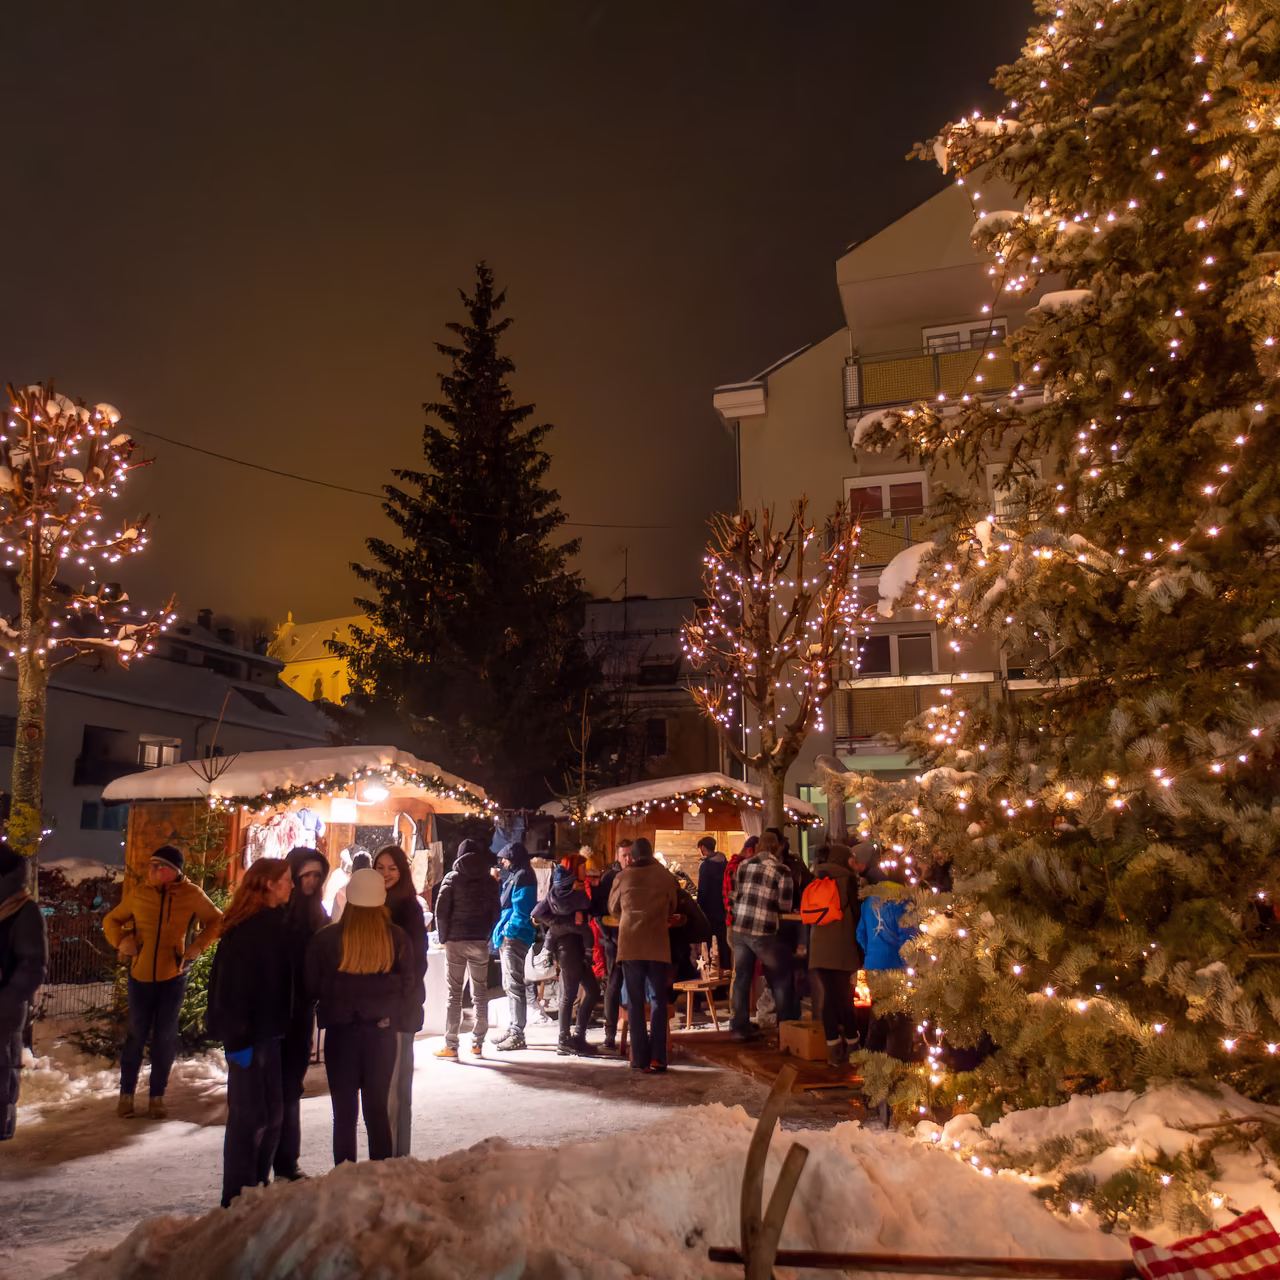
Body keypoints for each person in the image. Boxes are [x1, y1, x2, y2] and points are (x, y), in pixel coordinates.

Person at [306, 867, 417, 1165]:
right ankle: (379, 1176)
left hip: (341, 1035)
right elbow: (409, 986)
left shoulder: (326, 939)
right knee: (376, 1111)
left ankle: (345, 1177)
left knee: (343, 1115)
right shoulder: (396, 938)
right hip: (381, 1036)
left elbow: (311, 985)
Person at [102, 844, 222, 1119]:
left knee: (165, 1037)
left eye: (160, 866)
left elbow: (216, 920)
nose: (153, 870)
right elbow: (111, 920)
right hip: (140, 976)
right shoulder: (140, 893)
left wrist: (197, 947)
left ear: (174, 870)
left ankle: (157, 1096)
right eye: (151, 865)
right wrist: (122, 940)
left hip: (173, 976)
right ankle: (126, 1095)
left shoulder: (191, 894)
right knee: (136, 1035)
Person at [206, 857, 294, 1207]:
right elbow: (233, 989)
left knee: (271, 1115)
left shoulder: (272, 924)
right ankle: (238, 1196)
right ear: (269, 884)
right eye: (285, 880)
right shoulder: (249, 930)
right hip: (250, 1037)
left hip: (269, 1035)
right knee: (249, 1118)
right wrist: (238, 1039)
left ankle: (257, 1186)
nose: (290, 885)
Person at [274, 846, 330, 1181]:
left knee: (293, 1085)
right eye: (305, 874)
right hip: (274, 1009)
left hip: (300, 1011)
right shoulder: (277, 913)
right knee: (272, 1087)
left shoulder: (317, 914)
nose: (310, 881)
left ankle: (286, 1160)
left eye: (316, 875)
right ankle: (266, 1158)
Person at [373, 844, 427, 1155]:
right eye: (380, 868)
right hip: (375, 1007)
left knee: (396, 1086)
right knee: (381, 1089)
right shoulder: (367, 905)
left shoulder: (408, 907)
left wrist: (399, 1000)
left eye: (392, 868)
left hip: (400, 1006)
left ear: (402, 871)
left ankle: (397, 1155)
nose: (386, 874)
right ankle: (387, 1155)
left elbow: (416, 962)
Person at [609, 837, 678, 1073]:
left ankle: (639, 1058)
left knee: (635, 1002)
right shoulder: (666, 877)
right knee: (659, 1000)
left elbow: (613, 907)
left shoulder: (622, 876)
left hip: (630, 945)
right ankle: (658, 1057)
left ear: (634, 856)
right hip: (658, 944)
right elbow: (673, 906)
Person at [433, 838, 500, 1059]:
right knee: (480, 993)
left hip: (455, 941)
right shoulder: (489, 882)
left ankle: (451, 1046)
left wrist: (443, 938)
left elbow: (441, 911)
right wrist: (486, 935)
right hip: (479, 941)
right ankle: (477, 1044)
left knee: (454, 994)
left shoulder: (451, 879)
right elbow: (496, 912)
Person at [728, 831, 795, 1041]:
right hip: (762, 932)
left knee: (742, 978)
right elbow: (785, 906)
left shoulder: (743, 865)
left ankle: (739, 1028)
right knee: (780, 977)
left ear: (758, 847)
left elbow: (736, 894)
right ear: (777, 848)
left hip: (739, 929)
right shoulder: (782, 870)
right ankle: (786, 1028)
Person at [0, 847, 47, 1142]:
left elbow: (33, 965)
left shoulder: (23, 911)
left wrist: (8, 1000)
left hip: (4, 1006)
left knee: (2, 1068)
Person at [533, 854, 599, 1056]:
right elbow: (537, 914)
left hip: (580, 948)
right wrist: (569, 925)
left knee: (593, 991)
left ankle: (578, 1036)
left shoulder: (577, 889)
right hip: (568, 948)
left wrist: (579, 920)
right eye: (582, 867)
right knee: (568, 994)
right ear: (574, 869)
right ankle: (564, 1040)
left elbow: (585, 915)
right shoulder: (559, 891)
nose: (585, 870)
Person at [804, 842, 863, 1067]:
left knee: (828, 997)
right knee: (845, 998)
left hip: (818, 950)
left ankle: (833, 1051)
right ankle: (853, 1045)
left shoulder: (817, 877)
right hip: (842, 948)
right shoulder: (848, 880)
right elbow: (856, 915)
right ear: (845, 859)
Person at [857, 851, 918, 1065]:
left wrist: (872, 953)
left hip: (873, 965)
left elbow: (860, 934)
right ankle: (896, 1066)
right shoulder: (904, 901)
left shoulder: (868, 902)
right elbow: (908, 937)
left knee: (879, 1015)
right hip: (897, 967)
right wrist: (910, 964)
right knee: (900, 1021)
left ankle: (869, 1061)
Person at [492, 842, 537, 1052]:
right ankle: (513, 1028)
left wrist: (508, 932)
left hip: (515, 937)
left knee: (515, 985)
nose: (502, 861)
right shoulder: (517, 875)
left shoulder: (523, 876)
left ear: (513, 857)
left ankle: (518, 1033)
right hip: (511, 936)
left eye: (504, 858)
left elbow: (522, 911)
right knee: (509, 985)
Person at [592, 839, 631, 1052]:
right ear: (617, 856)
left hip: (634, 940)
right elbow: (598, 910)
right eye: (624, 854)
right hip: (614, 941)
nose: (628, 858)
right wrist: (608, 936)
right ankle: (609, 1033)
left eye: (630, 854)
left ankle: (637, 1031)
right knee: (614, 984)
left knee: (635, 984)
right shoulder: (609, 878)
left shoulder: (637, 875)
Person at [695, 836, 728, 971]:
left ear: (703, 848)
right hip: (724, 909)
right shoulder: (725, 862)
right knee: (723, 944)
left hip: (709, 910)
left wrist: (698, 909)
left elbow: (702, 890)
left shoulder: (705, 865)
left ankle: (711, 973)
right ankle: (725, 971)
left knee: (710, 946)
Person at [722, 835, 759, 930]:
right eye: (757, 854)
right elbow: (735, 897)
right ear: (750, 851)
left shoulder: (737, 865)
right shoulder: (736, 867)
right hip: (737, 923)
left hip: (737, 921)